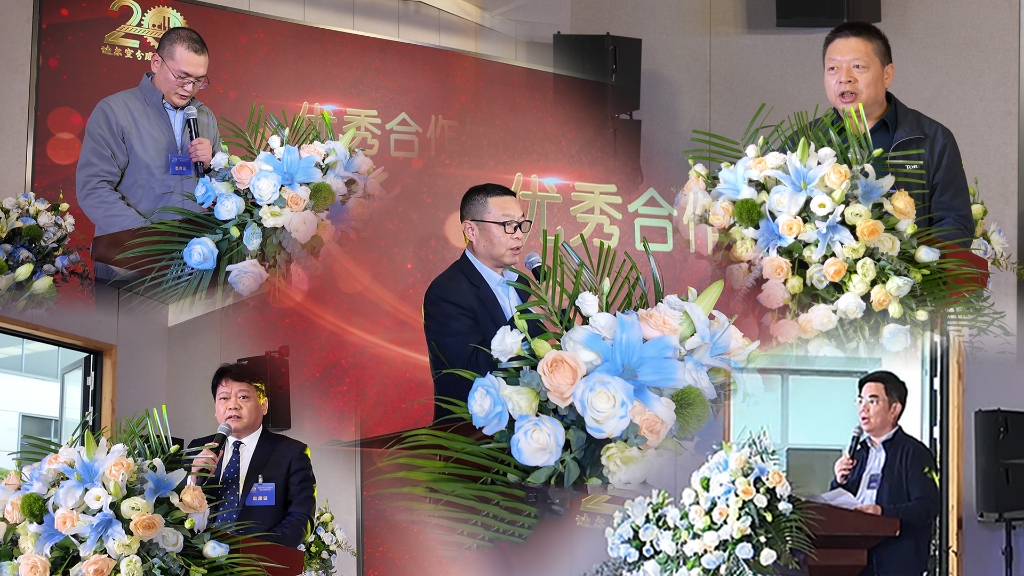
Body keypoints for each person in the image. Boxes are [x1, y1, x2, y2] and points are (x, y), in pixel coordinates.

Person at [76, 27, 221, 277]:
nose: (189, 88)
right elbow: (94, 188)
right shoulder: (115, 111)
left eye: (198, 81)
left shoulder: (204, 116)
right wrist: (148, 241)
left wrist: (212, 165)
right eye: (182, 77)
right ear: (156, 63)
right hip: (129, 263)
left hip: (192, 267)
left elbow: (224, 189)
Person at [822, 22, 974, 243]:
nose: (844, 77)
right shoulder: (804, 142)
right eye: (833, 68)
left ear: (887, 74)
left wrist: (915, 261)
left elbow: (954, 225)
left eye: (858, 66)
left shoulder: (933, 139)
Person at [423, 183, 540, 421]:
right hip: (475, 434)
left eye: (521, 224)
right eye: (508, 225)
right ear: (471, 230)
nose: (519, 234)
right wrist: (533, 313)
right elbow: (468, 373)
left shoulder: (523, 284)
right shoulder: (447, 292)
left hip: (533, 427)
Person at [188, 363, 316, 548]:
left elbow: (301, 518)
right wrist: (193, 481)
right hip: (198, 560)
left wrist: (252, 554)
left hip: (259, 561)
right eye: (224, 398)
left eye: (243, 397)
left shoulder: (291, 453)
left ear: (264, 405)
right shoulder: (197, 449)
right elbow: (173, 512)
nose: (233, 405)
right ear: (216, 409)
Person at [831, 370, 939, 576]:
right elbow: (839, 507)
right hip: (855, 563)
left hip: (895, 563)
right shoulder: (858, 454)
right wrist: (839, 481)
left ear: (894, 409)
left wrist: (882, 512)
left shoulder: (916, 453)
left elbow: (926, 508)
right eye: (860, 401)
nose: (863, 408)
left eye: (872, 401)